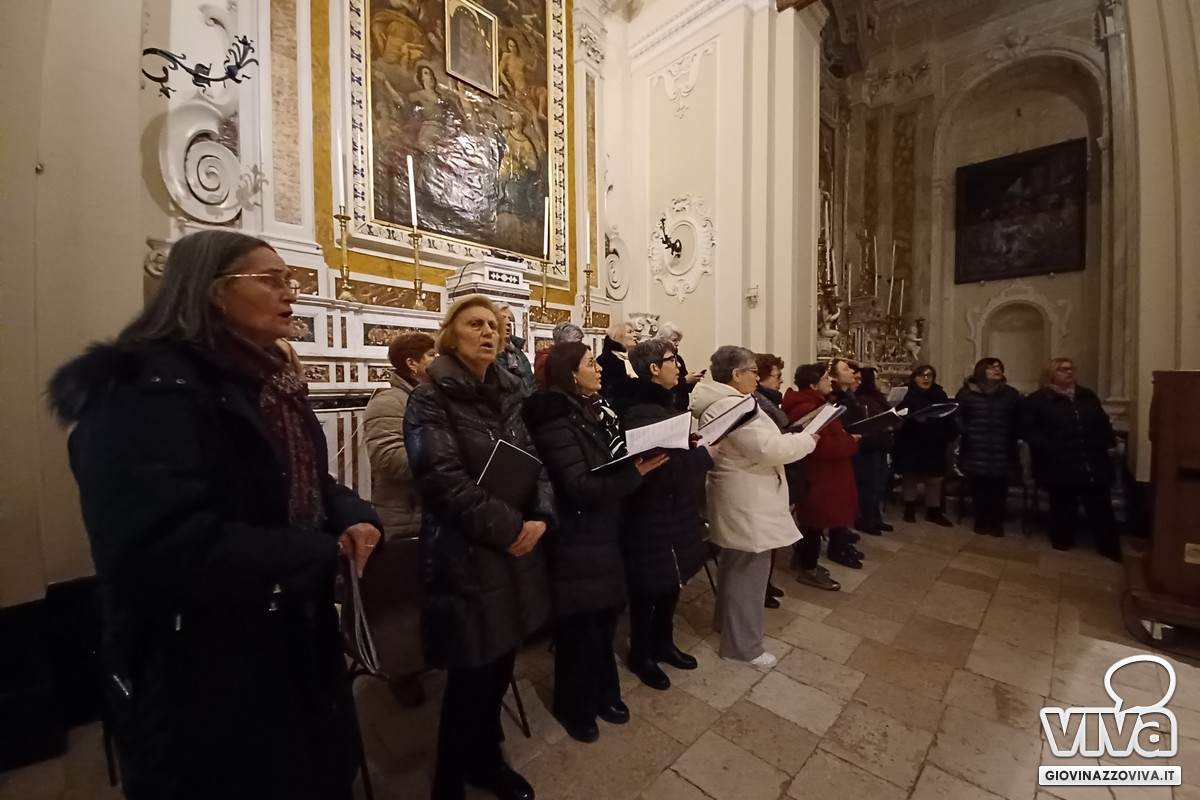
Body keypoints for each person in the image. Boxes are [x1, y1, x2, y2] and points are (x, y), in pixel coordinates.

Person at [47, 230, 382, 800]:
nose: (291, 294)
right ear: (214, 291)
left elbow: (306, 479)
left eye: (290, 280)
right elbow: (158, 547)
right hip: (202, 663)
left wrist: (352, 513)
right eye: (271, 280)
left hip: (287, 635)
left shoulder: (269, 380)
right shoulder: (145, 389)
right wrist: (316, 551)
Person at [404, 295, 553, 800]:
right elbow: (443, 481)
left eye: (494, 325)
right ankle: (450, 777)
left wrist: (540, 516)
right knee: (471, 673)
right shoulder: (430, 398)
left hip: (515, 549)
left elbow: (534, 460)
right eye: (475, 324)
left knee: (501, 664)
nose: (489, 332)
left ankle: (486, 761)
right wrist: (514, 527)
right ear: (450, 335)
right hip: (465, 552)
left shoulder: (510, 393)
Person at [523, 343, 667, 743]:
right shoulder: (555, 420)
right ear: (571, 373)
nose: (600, 369)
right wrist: (635, 473)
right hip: (577, 534)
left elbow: (600, 463)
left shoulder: (586, 409)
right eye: (591, 364)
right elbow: (578, 485)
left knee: (603, 619)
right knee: (580, 628)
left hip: (602, 529)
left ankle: (604, 692)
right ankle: (574, 706)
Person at [690, 346, 818, 668]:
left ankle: (728, 628)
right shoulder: (729, 406)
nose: (757, 377)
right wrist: (808, 440)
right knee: (749, 574)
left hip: (744, 493)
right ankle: (743, 647)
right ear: (736, 374)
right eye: (752, 371)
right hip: (747, 496)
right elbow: (767, 448)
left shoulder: (727, 401)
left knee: (737, 567)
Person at [610, 338, 716, 691]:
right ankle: (641, 653)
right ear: (654, 368)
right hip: (651, 513)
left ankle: (663, 642)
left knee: (670, 583)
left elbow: (671, 457)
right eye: (673, 360)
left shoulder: (661, 405)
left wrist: (689, 445)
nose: (680, 366)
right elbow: (658, 473)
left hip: (671, 511)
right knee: (649, 588)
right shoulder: (642, 411)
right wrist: (704, 456)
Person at [361, 331, 437, 704]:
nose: (438, 360)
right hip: (404, 516)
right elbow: (388, 459)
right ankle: (402, 671)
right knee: (404, 602)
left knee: (429, 595)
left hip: (432, 513)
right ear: (412, 363)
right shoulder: (388, 401)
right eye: (432, 354)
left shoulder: (432, 398)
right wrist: (445, 454)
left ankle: (431, 652)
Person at [1022, 358, 1120, 559]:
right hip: (1058, 460)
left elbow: (1103, 422)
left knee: (1100, 504)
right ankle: (1062, 539)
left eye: (1071, 369)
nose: (1069, 372)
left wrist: (1108, 442)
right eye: (1062, 369)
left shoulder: (1086, 396)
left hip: (1091, 457)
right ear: (1050, 374)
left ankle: (1108, 545)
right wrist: (1049, 446)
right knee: (1063, 502)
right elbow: (1027, 429)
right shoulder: (1038, 399)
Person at [784, 363, 865, 573]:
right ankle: (807, 567)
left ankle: (808, 561)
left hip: (829, 473)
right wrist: (850, 441)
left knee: (818, 520)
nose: (831, 381)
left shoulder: (817, 403)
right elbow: (820, 446)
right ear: (813, 385)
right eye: (825, 378)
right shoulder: (806, 408)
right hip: (820, 474)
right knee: (814, 522)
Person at [753, 353, 804, 603]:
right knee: (764, 537)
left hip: (779, 470)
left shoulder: (770, 401)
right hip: (764, 476)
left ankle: (765, 582)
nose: (781, 381)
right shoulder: (758, 404)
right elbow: (766, 445)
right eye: (777, 376)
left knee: (771, 535)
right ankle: (760, 586)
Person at [955, 358, 1023, 537]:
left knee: (999, 487)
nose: (997, 369)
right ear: (981, 371)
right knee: (978, 486)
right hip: (975, 445)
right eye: (991, 367)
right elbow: (956, 415)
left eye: (999, 367)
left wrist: (1013, 431)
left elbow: (1019, 417)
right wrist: (966, 430)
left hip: (1002, 446)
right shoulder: (967, 393)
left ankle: (996, 520)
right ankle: (981, 519)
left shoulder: (1011, 394)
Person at [894, 364, 956, 527]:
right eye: (922, 375)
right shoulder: (906, 393)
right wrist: (912, 419)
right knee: (910, 476)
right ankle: (909, 508)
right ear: (915, 378)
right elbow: (897, 415)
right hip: (910, 441)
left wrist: (947, 433)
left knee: (934, 478)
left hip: (934, 442)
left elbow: (948, 416)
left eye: (929, 375)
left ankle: (933, 510)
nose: (926, 378)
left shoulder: (939, 394)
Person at [853, 366, 895, 535]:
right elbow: (870, 422)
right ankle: (866, 520)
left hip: (879, 444)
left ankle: (875, 518)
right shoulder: (863, 399)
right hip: (868, 446)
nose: (880, 381)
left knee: (878, 484)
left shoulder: (875, 397)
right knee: (868, 485)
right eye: (876, 378)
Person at [656, 322, 705, 412]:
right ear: (662, 339)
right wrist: (685, 380)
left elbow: (686, 385)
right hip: (666, 407)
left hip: (682, 407)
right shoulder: (657, 359)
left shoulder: (678, 358)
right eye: (674, 340)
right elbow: (662, 383)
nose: (677, 343)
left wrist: (694, 380)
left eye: (678, 340)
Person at [494, 302, 535, 394]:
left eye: (510, 319)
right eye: (503, 318)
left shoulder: (517, 352)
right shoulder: (489, 353)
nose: (508, 322)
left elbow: (531, 382)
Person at [533, 320, 583, 387]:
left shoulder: (565, 356)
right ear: (565, 343)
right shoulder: (545, 359)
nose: (581, 347)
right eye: (577, 344)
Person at [597, 320, 638, 398]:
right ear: (618, 336)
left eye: (634, 332)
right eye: (630, 332)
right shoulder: (605, 360)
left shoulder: (636, 358)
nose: (635, 335)